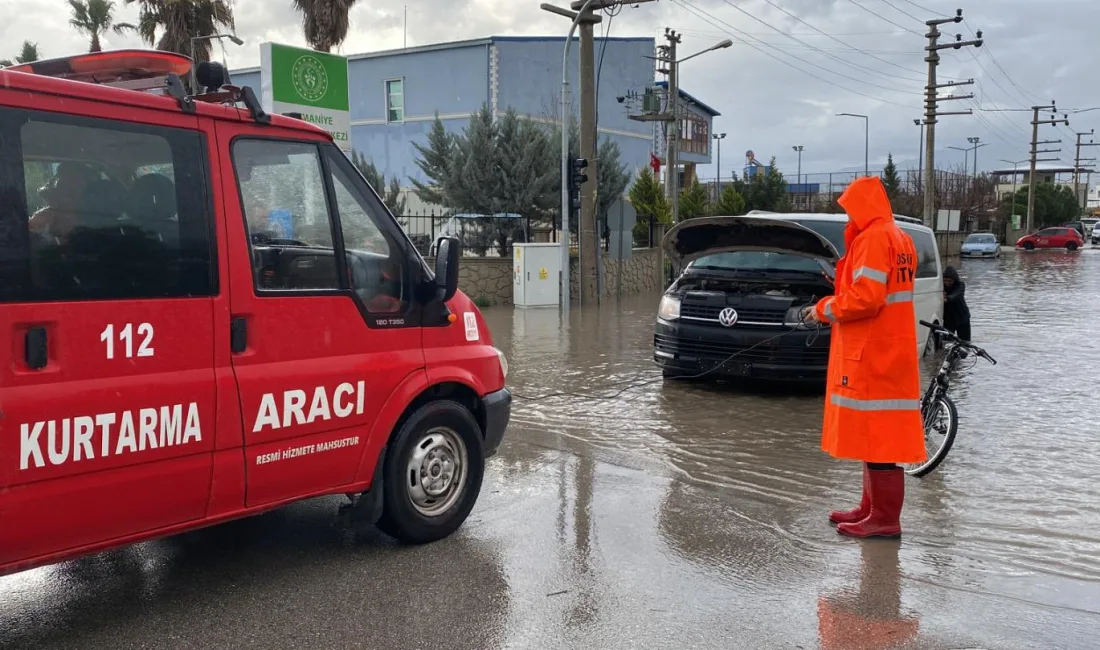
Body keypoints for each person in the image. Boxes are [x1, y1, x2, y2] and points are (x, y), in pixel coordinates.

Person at [801, 176, 926, 539]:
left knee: (881, 440)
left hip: (873, 352)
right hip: (890, 349)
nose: (848, 216)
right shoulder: (900, 237)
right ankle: (870, 509)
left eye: (849, 208)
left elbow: (867, 298)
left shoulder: (872, 239)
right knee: (876, 437)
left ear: (862, 206)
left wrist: (823, 309)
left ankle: (884, 519)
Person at [942, 266, 971, 342]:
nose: (947, 283)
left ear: (954, 280)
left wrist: (946, 298)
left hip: (962, 318)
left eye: (950, 281)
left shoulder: (961, 285)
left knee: (965, 342)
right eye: (945, 280)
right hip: (948, 319)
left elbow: (957, 295)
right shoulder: (941, 287)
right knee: (947, 342)